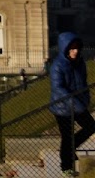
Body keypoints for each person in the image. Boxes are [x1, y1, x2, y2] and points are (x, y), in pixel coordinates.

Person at [51, 33, 94, 177]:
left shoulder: (80, 63)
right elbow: (58, 88)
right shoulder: (57, 65)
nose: (75, 51)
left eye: (77, 48)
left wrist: (85, 99)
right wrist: (76, 103)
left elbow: (83, 82)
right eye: (72, 49)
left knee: (91, 126)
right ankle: (66, 167)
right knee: (67, 136)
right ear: (66, 49)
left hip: (78, 104)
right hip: (62, 108)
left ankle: (71, 149)